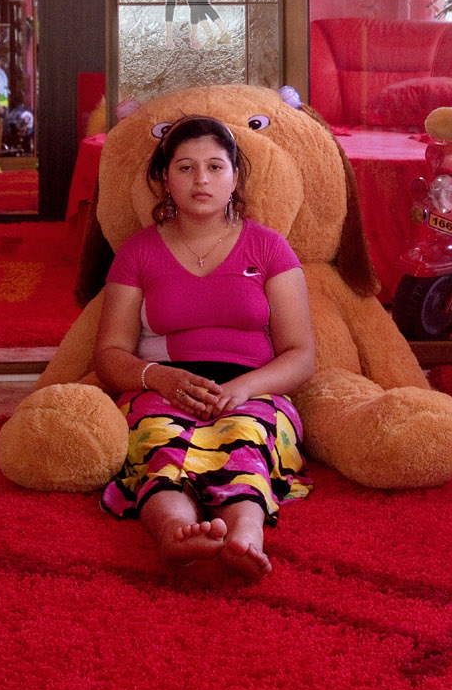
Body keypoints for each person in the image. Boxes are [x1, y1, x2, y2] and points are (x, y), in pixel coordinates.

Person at [93, 116, 316, 582]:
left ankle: (245, 539)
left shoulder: (270, 248)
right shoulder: (137, 252)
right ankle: (175, 532)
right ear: (164, 179)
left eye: (215, 167)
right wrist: (160, 378)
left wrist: (243, 389)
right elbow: (109, 354)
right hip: (161, 388)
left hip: (254, 391)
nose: (201, 180)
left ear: (235, 178)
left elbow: (300, 354)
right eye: (186, 168)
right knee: (157, 441)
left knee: (246, 440)